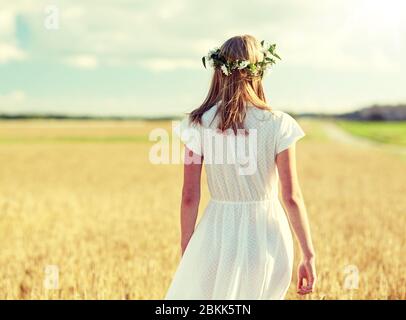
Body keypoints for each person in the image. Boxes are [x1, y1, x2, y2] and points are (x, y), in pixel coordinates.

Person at [165, 35, 316, 299]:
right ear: (260, 69)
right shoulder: (278, 123)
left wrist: (187, 245)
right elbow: (291, 197)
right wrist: (308, 254)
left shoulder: (198, 123)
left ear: (219, 70)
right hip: (267, 233)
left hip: (217, 232)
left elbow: (189, 195)